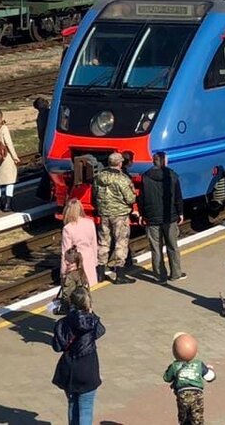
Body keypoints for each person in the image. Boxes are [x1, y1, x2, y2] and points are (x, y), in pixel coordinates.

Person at [52, 286, 105, 425]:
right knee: (86, 408)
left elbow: (57, 347)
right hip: (88, 369)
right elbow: (101, 331)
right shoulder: (92, 322)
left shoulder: (62, 323)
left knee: (72, 404)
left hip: (68, 369)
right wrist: (91, 313)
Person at [141, 151, 185, 283]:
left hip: (152, 218)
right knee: (172, 246)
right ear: (164, 161)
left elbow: (142, 198)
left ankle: (159, 275)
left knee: (156, 247)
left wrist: (143, 214)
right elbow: (178, 197)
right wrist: (180, 212)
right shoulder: (172, 175)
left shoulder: (145, 177)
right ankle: (176, 273)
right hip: (169, 217)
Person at [93, 152, 136, 284]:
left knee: (103, 242)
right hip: (120, 215)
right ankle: (120, 274)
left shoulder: (99, 176)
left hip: (104, 213)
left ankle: (100, 273)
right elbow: (131, 198)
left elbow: (95, 193)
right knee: (120, 243)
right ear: (120, 163)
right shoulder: (122, 179)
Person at [164, 332, 215, 425]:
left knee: (183, 417)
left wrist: (170, 370)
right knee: (197, 416)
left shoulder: (175, 365)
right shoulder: (199, 364)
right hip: (197, 394)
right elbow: (210, 377)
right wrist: (209, 370)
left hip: (182, 395)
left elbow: (167, 378)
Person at [61, 197, 100, 291]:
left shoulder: (68, 228)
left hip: (76, 263)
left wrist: (63, 271)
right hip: (89, 258)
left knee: (78, 291)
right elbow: (94, 244)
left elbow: (65, 252)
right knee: (91, 288)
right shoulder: (90, 223)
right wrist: (95, 260)